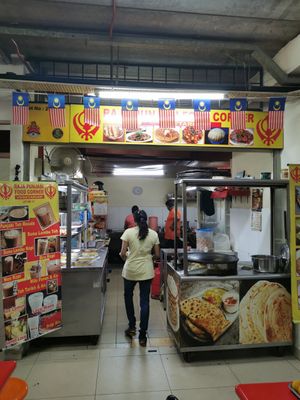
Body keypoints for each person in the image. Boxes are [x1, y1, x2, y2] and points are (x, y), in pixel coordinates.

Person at [119, 210, 160, 347]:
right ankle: (143, 335)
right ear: (146, 220)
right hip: (146, 272)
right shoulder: (153, 234)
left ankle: (131, 327)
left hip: (130, 271)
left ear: (134, 220)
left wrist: (127, 258)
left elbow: (122, 253)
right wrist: (148, 259)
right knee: (144, 302)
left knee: (128, 297)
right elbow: (157, 255)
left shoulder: (128, 233)